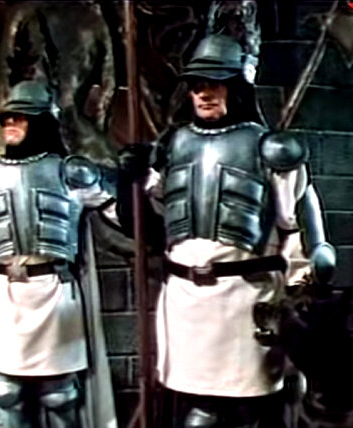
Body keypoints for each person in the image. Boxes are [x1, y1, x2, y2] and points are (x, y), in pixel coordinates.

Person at [117, 34, 336, 428]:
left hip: (245, 300)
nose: (204, 94)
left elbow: (296, 226)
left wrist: (301, 282)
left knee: (252, 410)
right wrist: (129, 178)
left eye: (215, 84)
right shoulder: (173, 147)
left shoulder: (270, 149)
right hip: (185, 301)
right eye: (196, 85)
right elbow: (146, 221)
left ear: (235, 88)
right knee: (199, 411)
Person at [0, 80, 117, 428]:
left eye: (20, 118)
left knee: (60, 394)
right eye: (7, 118)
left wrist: (133, 178)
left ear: (40, 122)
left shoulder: (70, 173)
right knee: (6, 392)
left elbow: (120, 212)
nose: (10, 123)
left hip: (53, 293)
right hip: (1, 295)